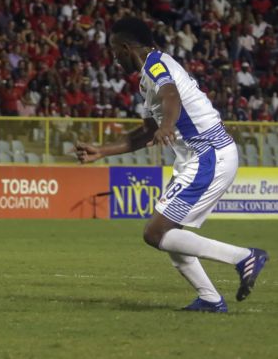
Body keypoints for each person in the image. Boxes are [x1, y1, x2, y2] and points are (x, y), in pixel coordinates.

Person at [75, 17, 268, 312]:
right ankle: (210, 299)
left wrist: (167, 125)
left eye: (115, 50)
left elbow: (171, 96)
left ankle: (243, 257)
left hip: (208, 154)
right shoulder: (147, 80)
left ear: (126, 47)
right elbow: (146, 132)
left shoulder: (155, 65)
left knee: (155, 233)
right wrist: (102, 151)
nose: (114, 58)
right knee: (170, 233)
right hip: (197, 157)